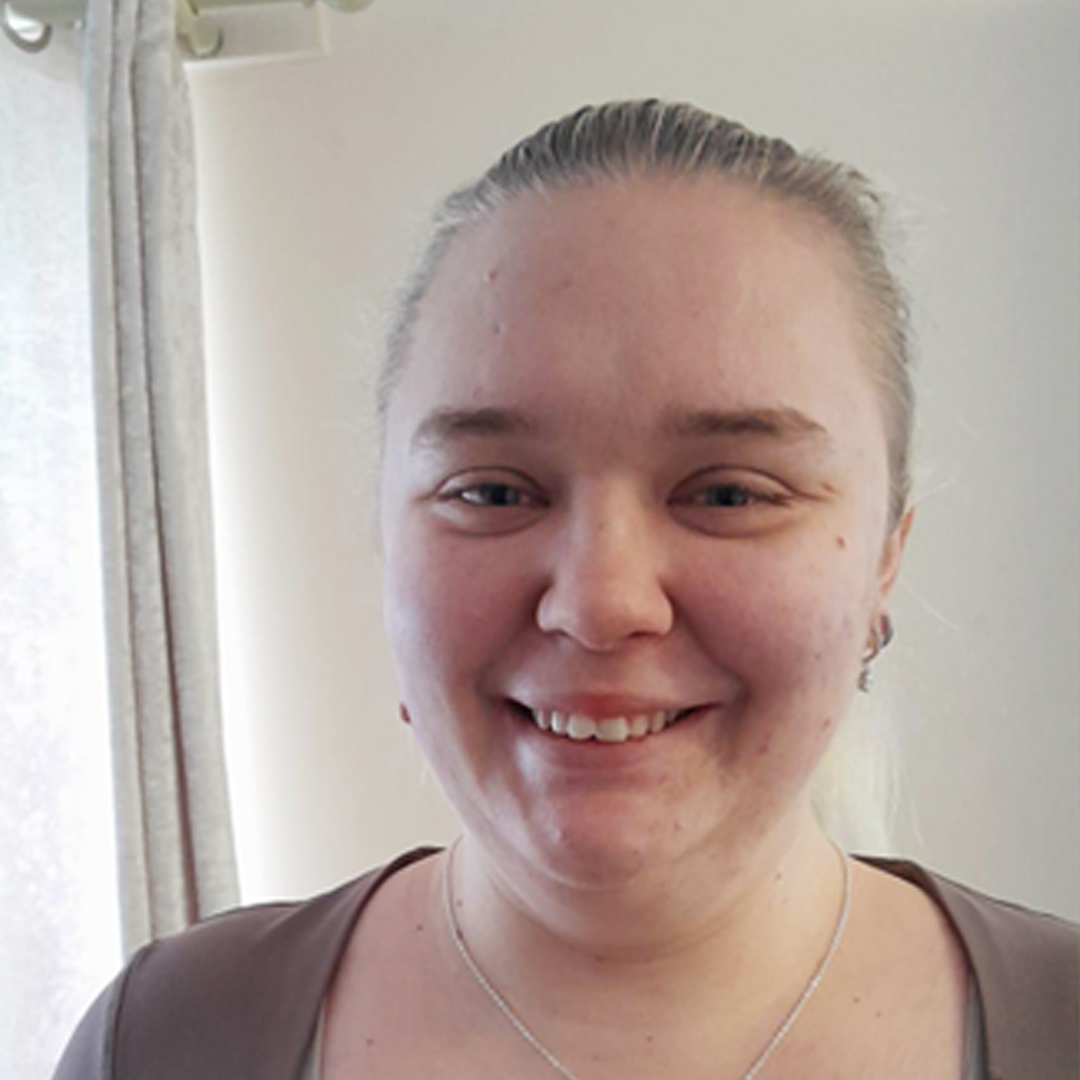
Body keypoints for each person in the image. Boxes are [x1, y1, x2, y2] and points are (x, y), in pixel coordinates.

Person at [55, 100, 1077, 1080]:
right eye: (492, 490)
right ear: (385, 540)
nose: (598, 603)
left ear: (884, 561)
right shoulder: (162, 1041)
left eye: (728, 491)